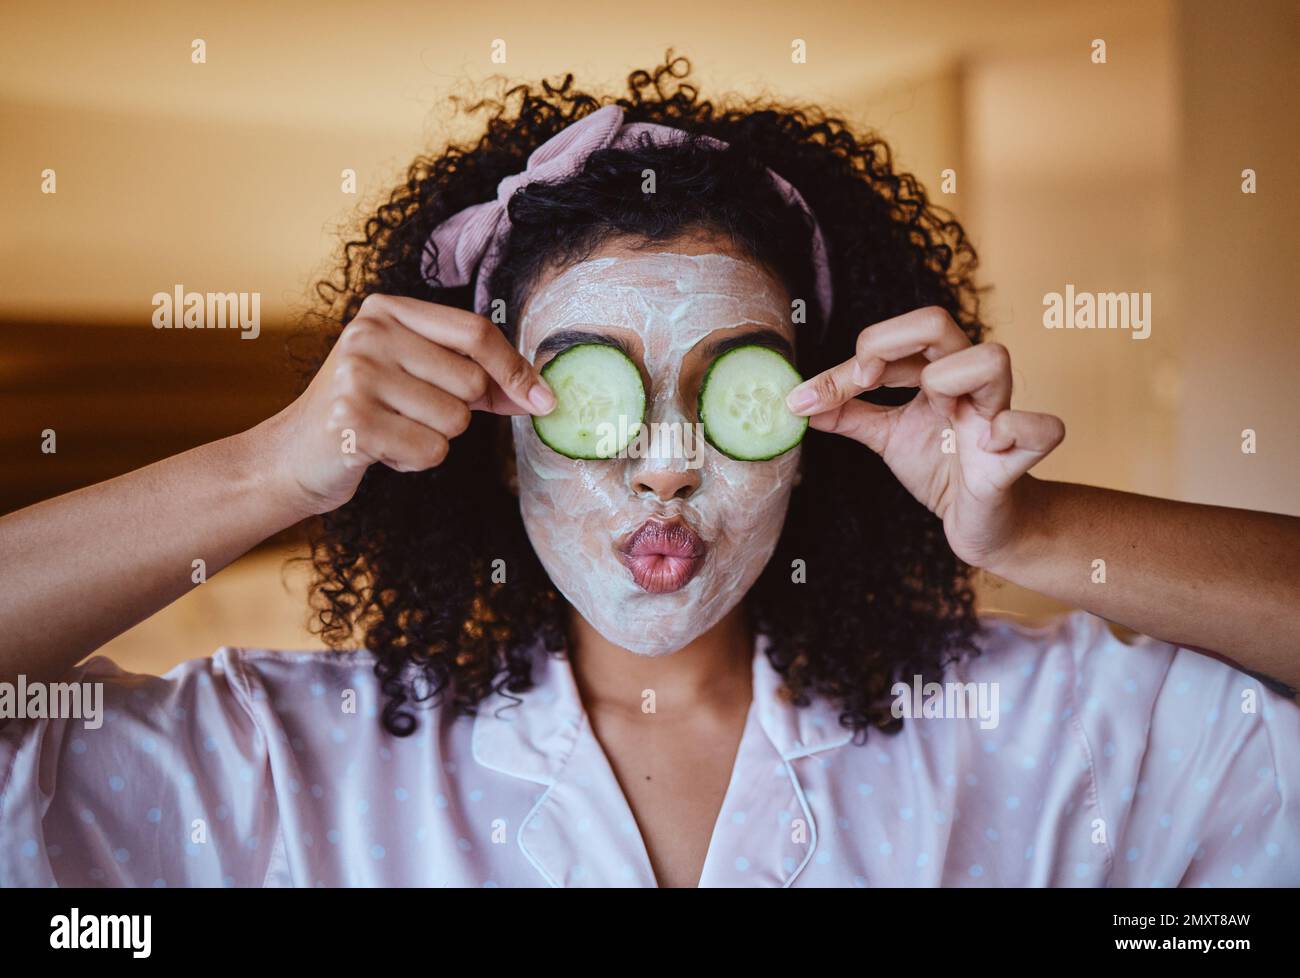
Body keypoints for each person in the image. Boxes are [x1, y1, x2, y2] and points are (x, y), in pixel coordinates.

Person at [1, 56, 1297, 888]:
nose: (667, 462)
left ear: (812, 432)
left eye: (730, 390)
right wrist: (266, 470)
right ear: (498, 442)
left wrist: (1035, 530)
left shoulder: (1039, 738)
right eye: (590, 390)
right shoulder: (287, 764)